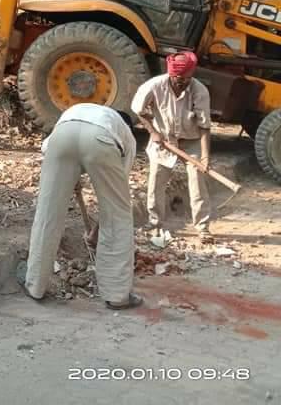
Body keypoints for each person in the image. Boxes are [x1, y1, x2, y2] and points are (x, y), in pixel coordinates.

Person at [23, 103, 142, 309]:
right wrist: (98, 230)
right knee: (118, 216)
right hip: (101, 139)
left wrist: (69, 176)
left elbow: (47, 150)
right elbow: (113, 202)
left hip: (62, 134)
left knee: (47, 213)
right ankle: (117, 295)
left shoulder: (86, 110)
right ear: (127, 126)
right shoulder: (127, 136)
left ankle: (35, 285)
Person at [132, 51, 213, 242]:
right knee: (156, 182)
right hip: (164, 141)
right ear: (171, 74)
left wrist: (205, 156)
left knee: (197, 182)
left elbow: (204, 126)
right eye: (179, 78)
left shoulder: (199, 90)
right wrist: (153, 132)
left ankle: (203, 228)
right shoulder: (154, 86)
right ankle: (155, 222)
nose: (183, 82)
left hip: (191, 141)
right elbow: (138, 110)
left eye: (187, 78)